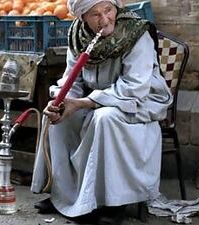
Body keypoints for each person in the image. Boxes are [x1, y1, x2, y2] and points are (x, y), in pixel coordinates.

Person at [30, 0, 173, 224]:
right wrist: (62, 100)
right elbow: (72, 79)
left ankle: (114, 203)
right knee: (57, 118)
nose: (105, 19)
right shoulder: (78, 37)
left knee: (105, 118)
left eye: (108, 10)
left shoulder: (137, 34)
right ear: (82, 18)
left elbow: (134, 88)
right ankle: (63, 195)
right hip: (97, 100)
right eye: (95, 14)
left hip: (139, 103)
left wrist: (85, 102)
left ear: (117, 7)